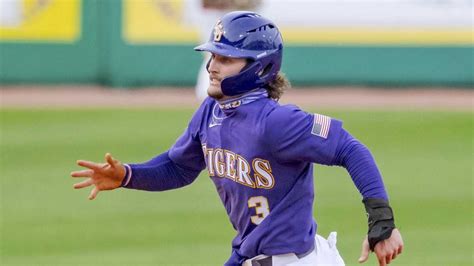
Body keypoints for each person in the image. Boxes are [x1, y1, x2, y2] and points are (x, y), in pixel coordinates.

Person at [71, 11, 404, 266]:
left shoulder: (275, 121)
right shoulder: (210, 113)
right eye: (213, 56)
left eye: (225, 59)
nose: (212, 67)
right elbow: (178, 167)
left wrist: (382, 222)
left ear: (257, 67)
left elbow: (350, 147)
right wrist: (128, 175)